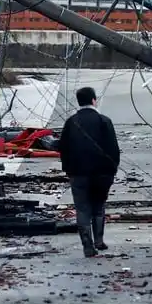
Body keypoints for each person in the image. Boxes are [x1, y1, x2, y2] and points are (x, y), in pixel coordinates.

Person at [57, 86, 120, 257]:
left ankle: (87, 246)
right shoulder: (104, 121)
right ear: (94, 100)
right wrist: (111, 170)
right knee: (98, 206)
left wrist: (68, 170)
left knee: (83, 209)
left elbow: (62, 148)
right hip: (102, 174)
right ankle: (99, 240)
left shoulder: (71, 122)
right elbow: (114, 149)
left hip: (78, 174)